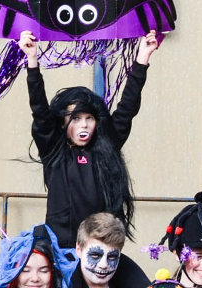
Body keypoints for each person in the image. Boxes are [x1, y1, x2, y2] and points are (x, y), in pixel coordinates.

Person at [19, 29, 158, 248]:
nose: (83, 125)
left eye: (89, 118)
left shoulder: (106, 147)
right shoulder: (54, 151)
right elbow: (39, 110)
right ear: (63, 122)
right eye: (75, 118)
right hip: (61, 251)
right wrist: (32, 60)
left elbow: (127, 107)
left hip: (101, 249)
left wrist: (143, 57)